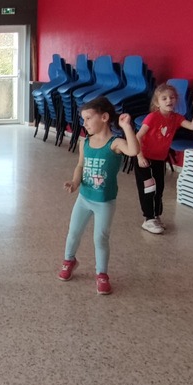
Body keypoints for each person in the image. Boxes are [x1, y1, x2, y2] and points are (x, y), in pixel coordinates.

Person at [58, 97, 140, 295]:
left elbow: (134, 150)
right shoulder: (84, 142)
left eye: (88, 118)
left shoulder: (115, 143)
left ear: (104, 117)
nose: (84, 123)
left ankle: (101, 274)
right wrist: (75, 182)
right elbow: (80, 165)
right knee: (73, 232)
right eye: (83, 119)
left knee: (100, 239)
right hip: (84, 198)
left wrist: (126, 127)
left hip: (104, 202)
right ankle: (69, 260)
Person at [134, 84, 193, 234]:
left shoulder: (176, 118)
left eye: (172, 97)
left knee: (159, 188)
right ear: (157, 102)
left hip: (159, 159)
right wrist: (139, 156)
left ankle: (156, 216)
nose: (169, 100)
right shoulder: (152, 117)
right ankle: (148, 219)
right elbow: (137, 137)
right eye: (164, 98)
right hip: (144, 158)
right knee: (149, 189)